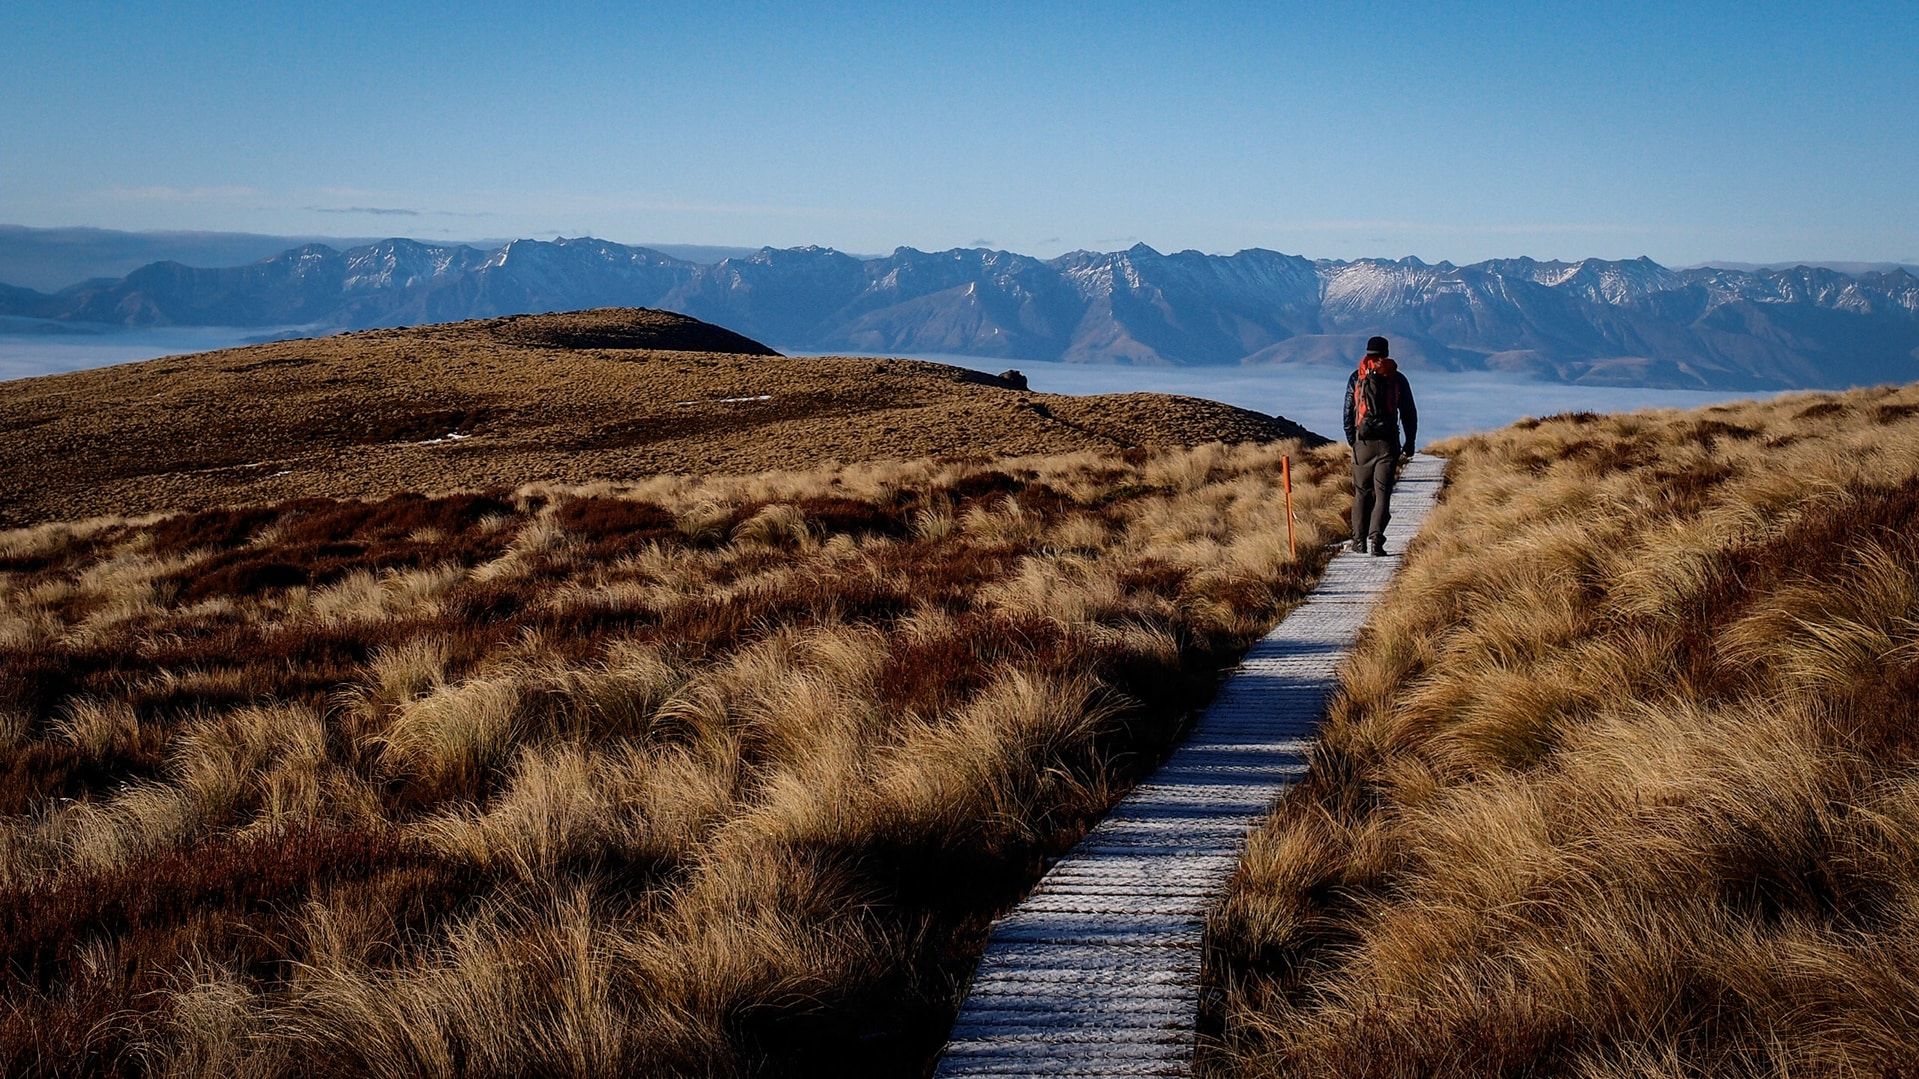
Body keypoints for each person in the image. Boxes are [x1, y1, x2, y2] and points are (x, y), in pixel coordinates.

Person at [1342, 335, 1417, 556]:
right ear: (1386, 352)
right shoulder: (1397, 378)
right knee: (1382, 494)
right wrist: (1410, 441)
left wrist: (1353, 440)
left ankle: (1359, 541)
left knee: (1362, 492)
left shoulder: (1357, 377)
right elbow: (1408, 412)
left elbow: (1348, 412)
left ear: (1367, 352)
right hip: (1388, 442)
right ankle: (1376, 540)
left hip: (1362, 441)